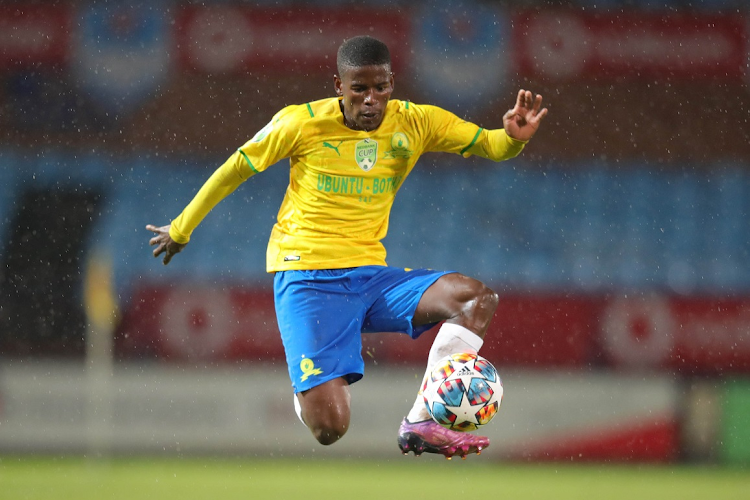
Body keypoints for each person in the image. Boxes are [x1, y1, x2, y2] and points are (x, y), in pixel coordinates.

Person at [147, 35, 547, 459]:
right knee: (330, 428)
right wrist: (181, 228)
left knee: (475, 298)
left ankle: (422, 420)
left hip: (370, 277)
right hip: (308, 276)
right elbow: (233, 170)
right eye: (359, 89)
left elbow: (489, 144)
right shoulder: (299, 123)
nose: (371, 100)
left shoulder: (416, 121)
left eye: (380, 88)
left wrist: (513, 137)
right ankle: (307, 393)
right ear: (339, 86)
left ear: (392, 83)